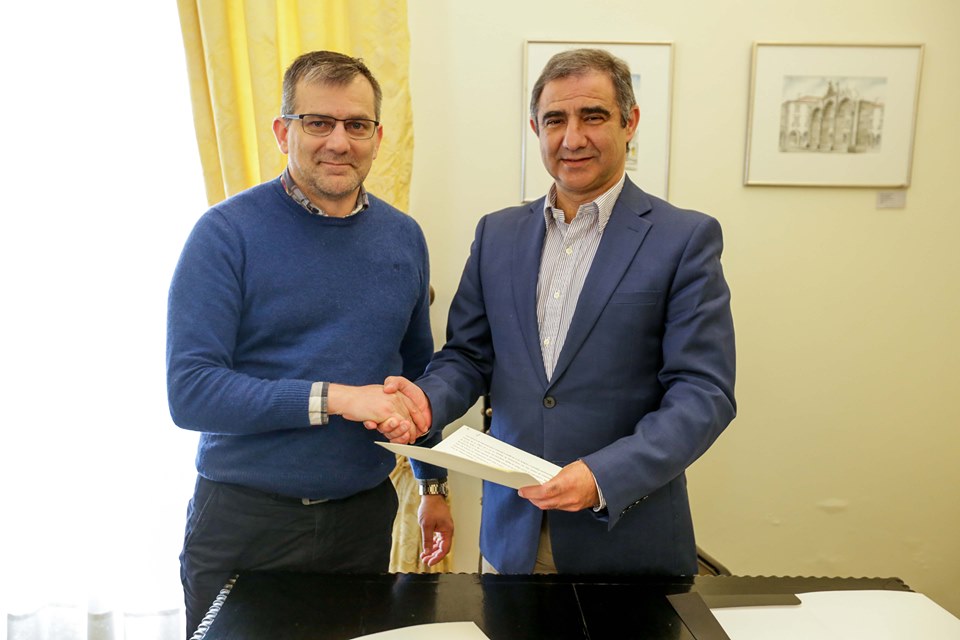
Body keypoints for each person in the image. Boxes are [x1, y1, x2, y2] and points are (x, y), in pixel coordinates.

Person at [380, 48, 735, 575]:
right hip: (511, 538)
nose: (572, 138)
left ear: (630, 122)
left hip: (626, 541)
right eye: (555, 120)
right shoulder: (497, 234)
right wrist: (427, 401)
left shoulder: (684, 238)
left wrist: (603, 475)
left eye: (593, 116)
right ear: (535, 128)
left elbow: (704, 393)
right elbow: (468, 357)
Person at [166, 50, 453, 636]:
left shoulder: (404, 238)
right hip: (245, 523)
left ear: (377, 137)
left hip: (362, 521)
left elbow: (416, 376)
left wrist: (433, 485)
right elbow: (191, 392)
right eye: (318, 122)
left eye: (357, 125)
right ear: (283, 132)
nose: (338, 142)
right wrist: (338, 398)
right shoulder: (224, 234)